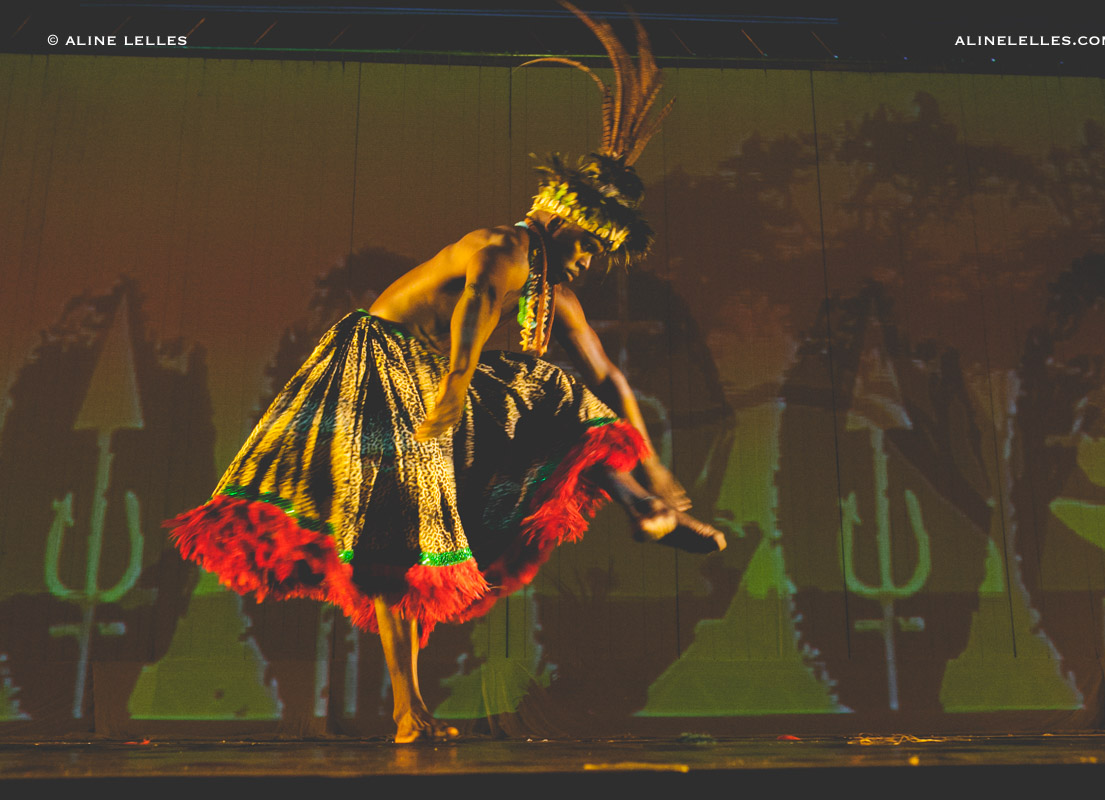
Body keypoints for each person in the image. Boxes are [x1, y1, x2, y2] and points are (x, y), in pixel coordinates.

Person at [165, 3, 721, 743]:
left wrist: (657, 478)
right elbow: (470, 325)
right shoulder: (500, 247)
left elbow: (609, 381)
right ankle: (405, 710)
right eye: (590, 246)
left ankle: (639, 514)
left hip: (430, 377)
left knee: (526, 425)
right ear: (565, 220)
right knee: (393, 537)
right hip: (379, 364)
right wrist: (455, 395)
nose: (589, 263)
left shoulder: (554, 283)